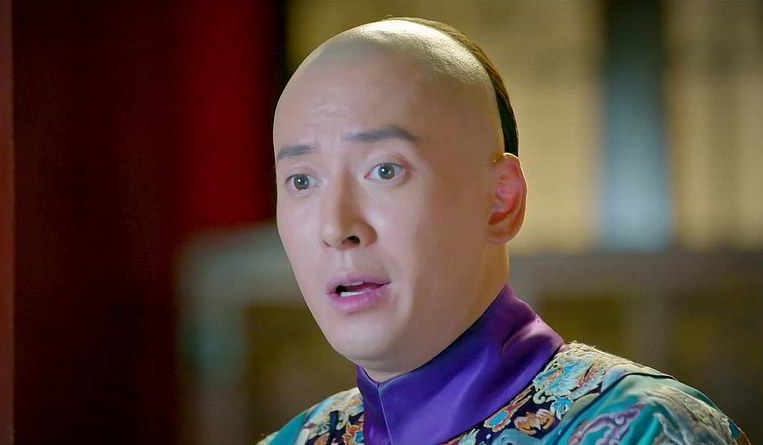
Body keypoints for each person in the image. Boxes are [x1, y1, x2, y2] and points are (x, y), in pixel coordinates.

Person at [261, 17, 748, 445]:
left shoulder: (647, 430)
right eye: (301, 180)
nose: (337, 227)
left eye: (385, 170)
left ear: (501, 201)